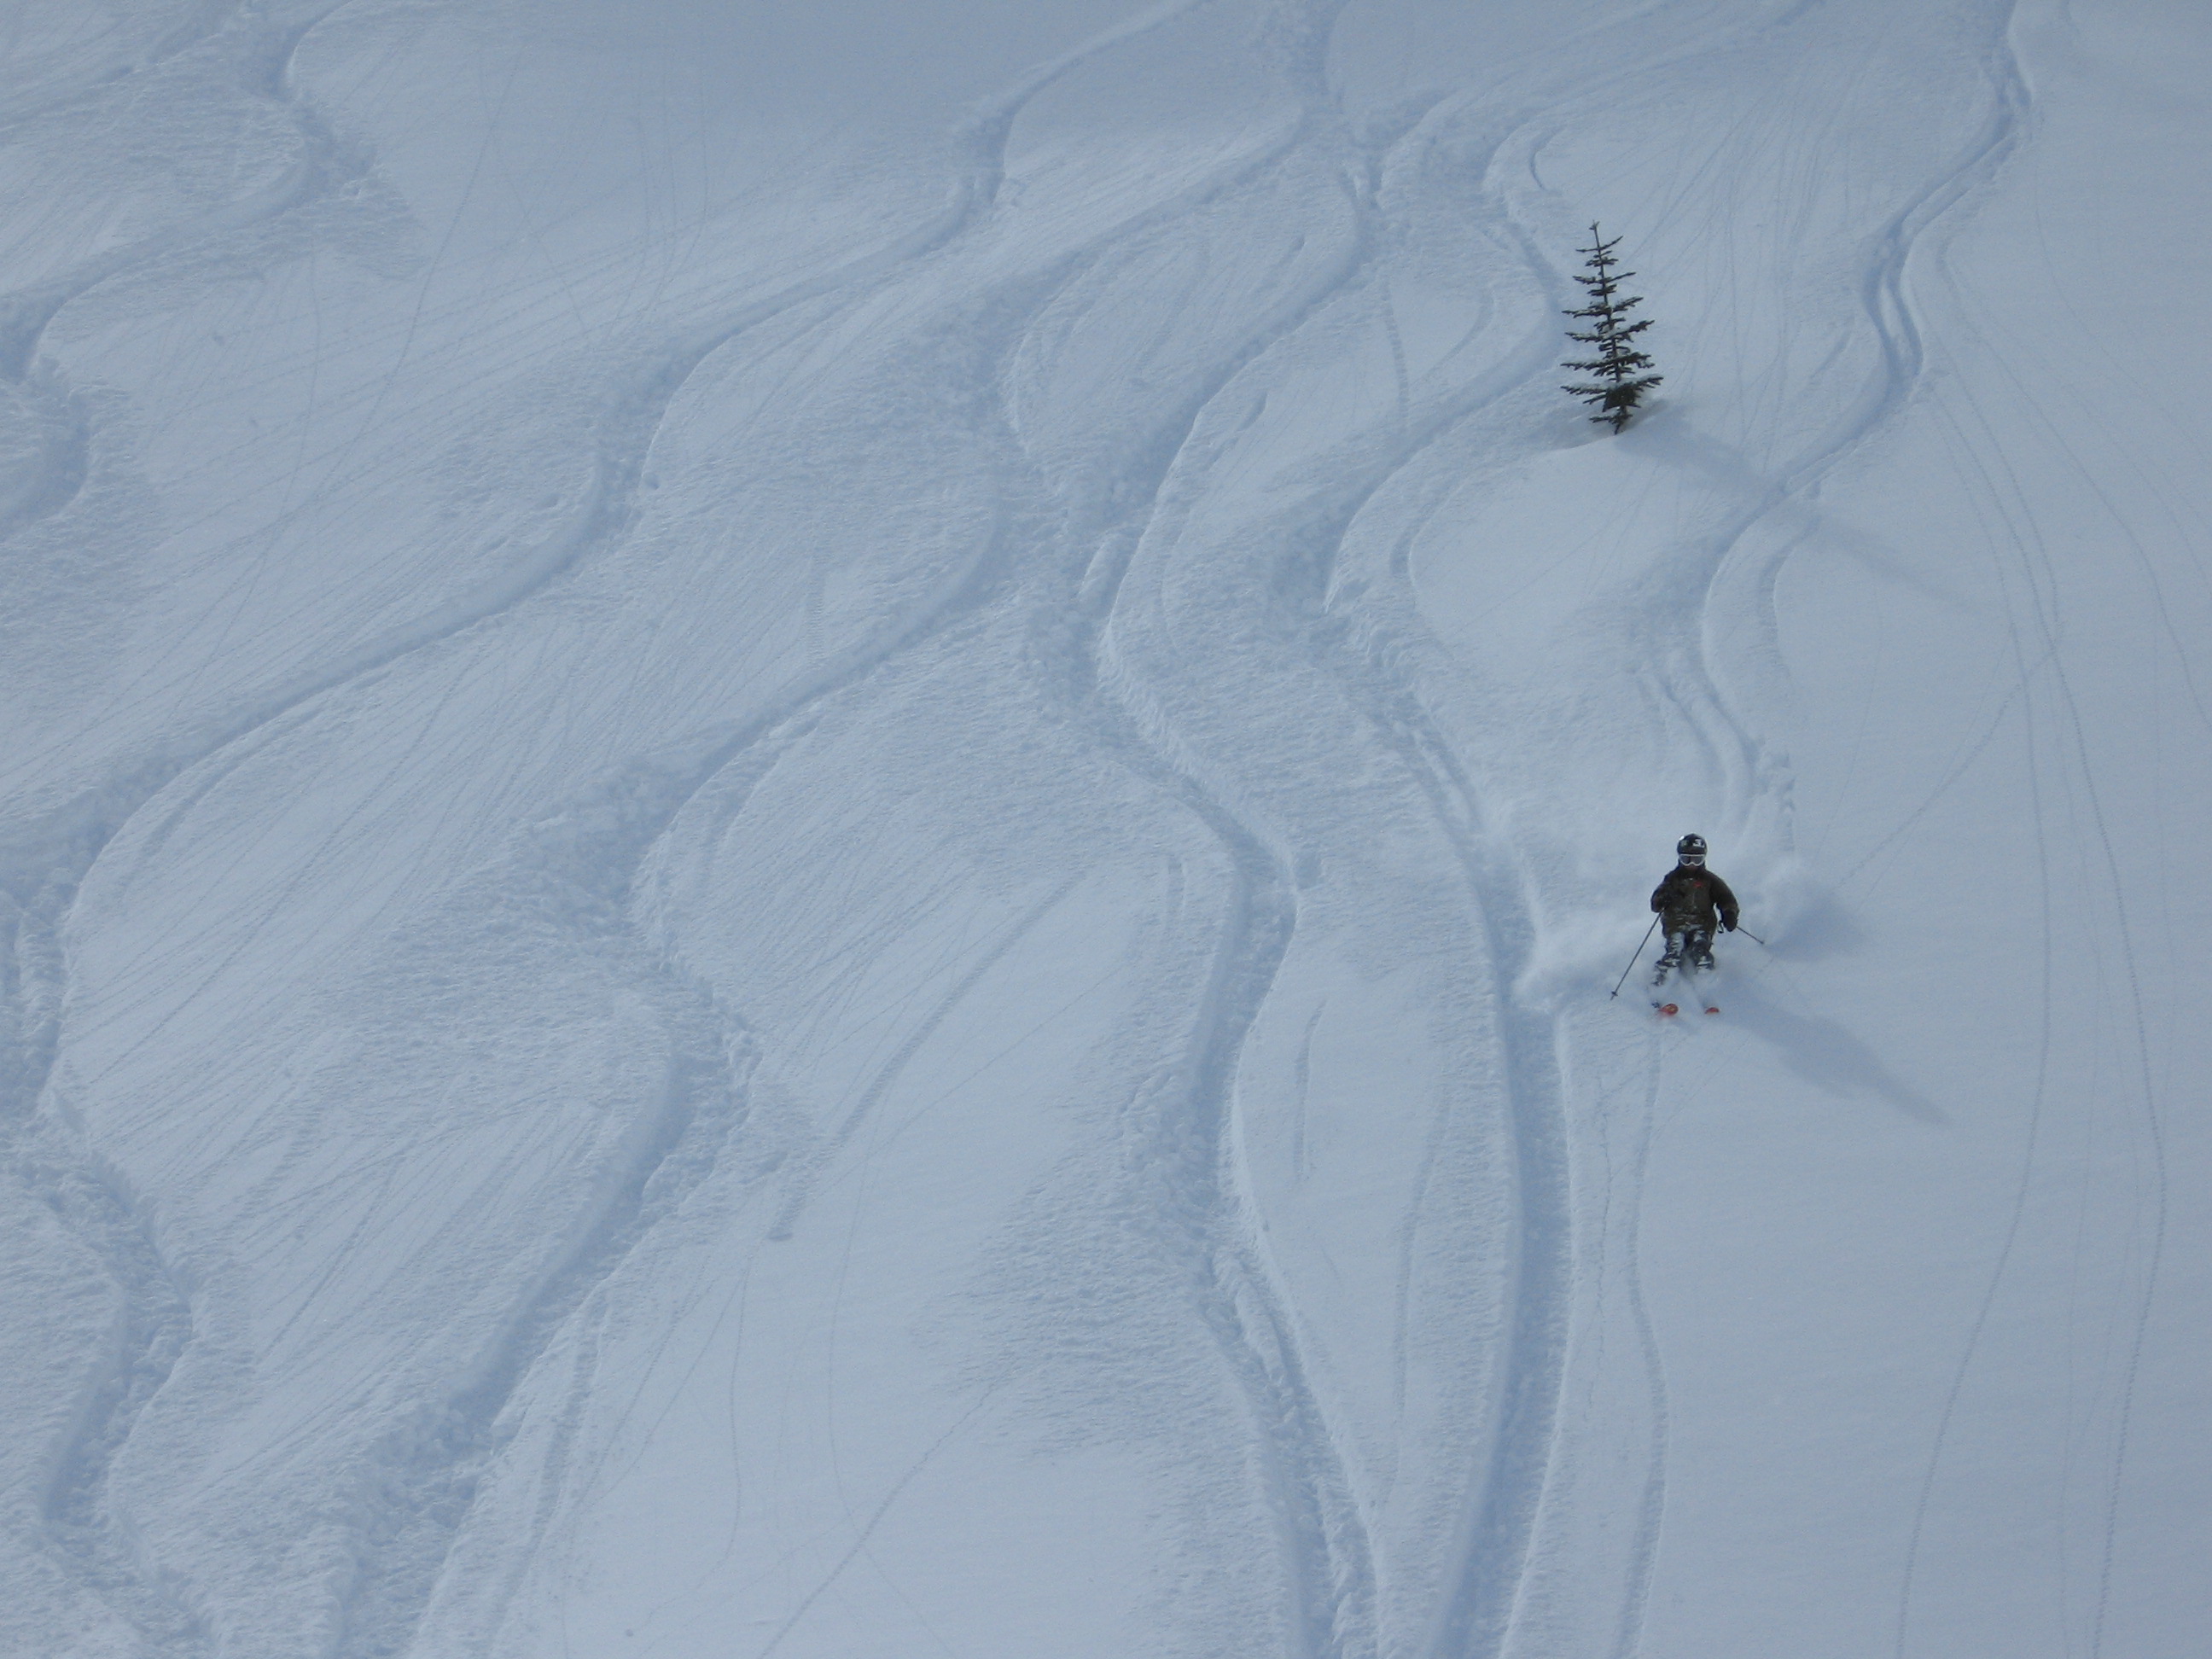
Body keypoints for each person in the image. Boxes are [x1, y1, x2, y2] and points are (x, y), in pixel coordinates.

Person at [1650, 834, 1738, 983]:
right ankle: (1660, 983)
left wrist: (1729, 913)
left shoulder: (1709, 880)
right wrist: (1663, 898)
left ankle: (1706, 985)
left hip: (1702, 923)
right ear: (1679, 858)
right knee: (1675, 949)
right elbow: (1655, 905)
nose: (1691, 864)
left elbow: (1726, 898)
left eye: (1697, 860)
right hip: (1676, 924)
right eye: (1686, 859)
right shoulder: (1672, 879)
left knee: (1701, 950)